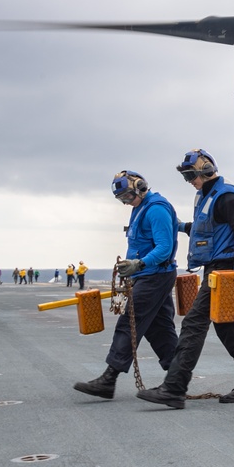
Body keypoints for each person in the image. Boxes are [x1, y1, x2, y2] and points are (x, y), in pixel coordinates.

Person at [137, 149, 234, 409]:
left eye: (192, 175)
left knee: (193, 324)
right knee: (229, 328)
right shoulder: (207, 196)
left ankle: (174, 388)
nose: (190, 181)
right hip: (215, 270)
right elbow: (207, 229)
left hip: (224, 271)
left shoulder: (226, 196)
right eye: (187, 177)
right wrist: (181, 226)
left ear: (206, 170)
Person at [74, 171, 181, 400]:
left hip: (154, 276)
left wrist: (139, 263)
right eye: (122, 199)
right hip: (149, 275)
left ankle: (108, 379)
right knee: (159, 328)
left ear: (141, 187)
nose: (126, 201)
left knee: (129, 322)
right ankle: (176, 382)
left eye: (128, 196)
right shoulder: (140, 208)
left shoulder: (155, 208)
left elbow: (164, 247)